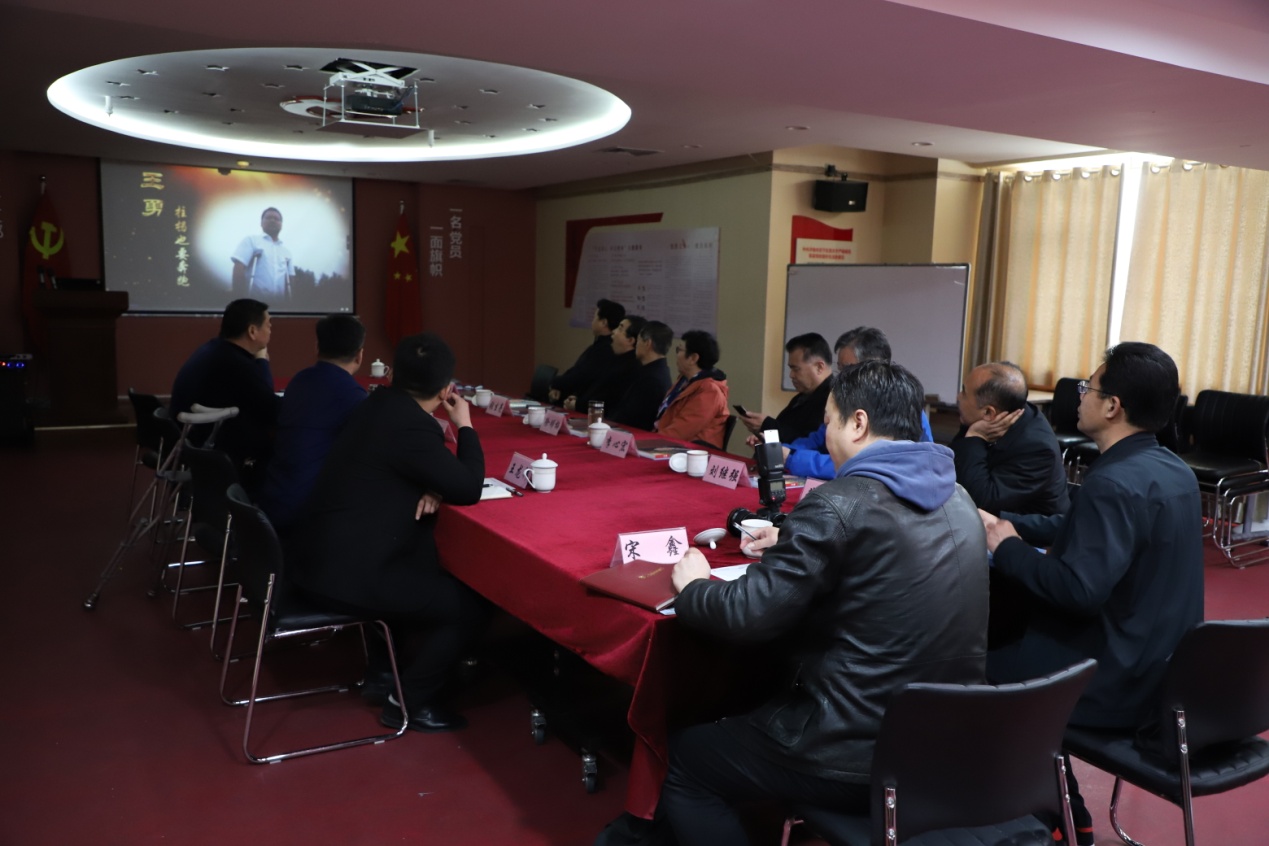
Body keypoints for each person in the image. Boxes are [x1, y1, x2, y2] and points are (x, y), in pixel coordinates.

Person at [658, 360, 988, 846]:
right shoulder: (959, 497)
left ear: (858, 423)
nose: (826, 436)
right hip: (946, 740)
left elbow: (749, 613)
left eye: (829, 422)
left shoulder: (839, 502)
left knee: (689, 759)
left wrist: (694, 588)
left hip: (852, 750)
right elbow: (887, 548)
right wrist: (795, 537)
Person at [982, 342, 1203, 846]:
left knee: (975, 665)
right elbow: (1084, 526)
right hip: (1162, 672)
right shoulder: (1171, 470)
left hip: (1114, 682)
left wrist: (1007, 549)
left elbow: (1077, 590)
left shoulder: (1114, 482)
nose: (1080, 396)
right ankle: (1063, 808)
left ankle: (1051, 813)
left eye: (1089, 387)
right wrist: (1008, 523)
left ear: (1112, 406)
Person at [288, 332, 489, 734]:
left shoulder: (375, 404)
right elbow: (468, 487)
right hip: (346, 577)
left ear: (392, 373)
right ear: (446, 390)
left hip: (312, 555)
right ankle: (408, 701)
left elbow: (400, 466)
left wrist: (431, 484)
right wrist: (465, 425)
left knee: (423, 570)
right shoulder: (411, 427)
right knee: (470, 604)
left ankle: (384, 671)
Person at [257, 314, 368, 533]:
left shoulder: (299, 381)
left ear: (317, 347)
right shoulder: (354, 396)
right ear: (359, 355)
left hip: (271, 501)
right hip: (308, 516)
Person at [783, 326, 932, 479]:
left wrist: (792, 459)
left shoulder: (902, 410)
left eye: (848, 369)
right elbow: (817, 439)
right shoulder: (846, 403)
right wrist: (781, 450)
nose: (841, 377)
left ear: (875, 367)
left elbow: (862, 465)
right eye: (840, 369)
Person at [169, 298, 279, 493]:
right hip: (213, 452)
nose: (271, 330)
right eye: (269, 325)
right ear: (252, 331)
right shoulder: (236, 364)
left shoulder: (213, 349)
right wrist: (262, 361)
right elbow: (270, 408)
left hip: (189, 444)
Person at [950, 361, 1069, 516]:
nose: (958, 397)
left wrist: (974, 438)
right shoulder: (992, 415)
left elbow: (983, 500)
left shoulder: (1037, 448)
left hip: (1023, 528)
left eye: (964, 393)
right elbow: (951, 465)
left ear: (988, 413)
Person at [738, 332, 832, 445]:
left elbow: (810, 442)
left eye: (796, 369)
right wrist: (764, 436)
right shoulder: (803, 397)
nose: (791, 375)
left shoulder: (833, 399)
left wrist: (767, 425)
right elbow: (786, 430)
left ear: (819, 367)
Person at [654, 330, 730, 448]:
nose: (676, 355)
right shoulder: (685, 380)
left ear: (693, 358)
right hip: (671, 443)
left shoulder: (710, 391)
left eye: (679, 350)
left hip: (693, 451)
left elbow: (681, 431)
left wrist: (649, 441)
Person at [549, 298, 625, 403]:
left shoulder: (604, 350)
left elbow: (579, 376)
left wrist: (554, 382)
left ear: (603, 322)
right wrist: (557, 386)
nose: (592, 321)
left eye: (595, 317)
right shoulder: (599, 346)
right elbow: (575, 370)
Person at [566, 315, 646, 413]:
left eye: (620, 329)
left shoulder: (630, 369)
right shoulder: (614, 359)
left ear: (630, 340)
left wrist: (578, 405)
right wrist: (577, 397)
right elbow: (594, 386)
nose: (613, 332)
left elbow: (607, 402)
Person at [607, 320, 674, 432]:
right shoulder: (656, 370)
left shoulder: (652, 379)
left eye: (638, 340)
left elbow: (629, 416)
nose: (636, 345)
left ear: (647, 343)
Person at [231, 207, 293, 299]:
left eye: (276, 219)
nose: (272, 220)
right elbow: (239, 267)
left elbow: (291, 278)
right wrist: (239, 297)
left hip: (279, 303)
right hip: (254, 302)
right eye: (268, 218)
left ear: (281, 224)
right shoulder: (251, 240)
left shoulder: (286, 252)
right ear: (261, 223)